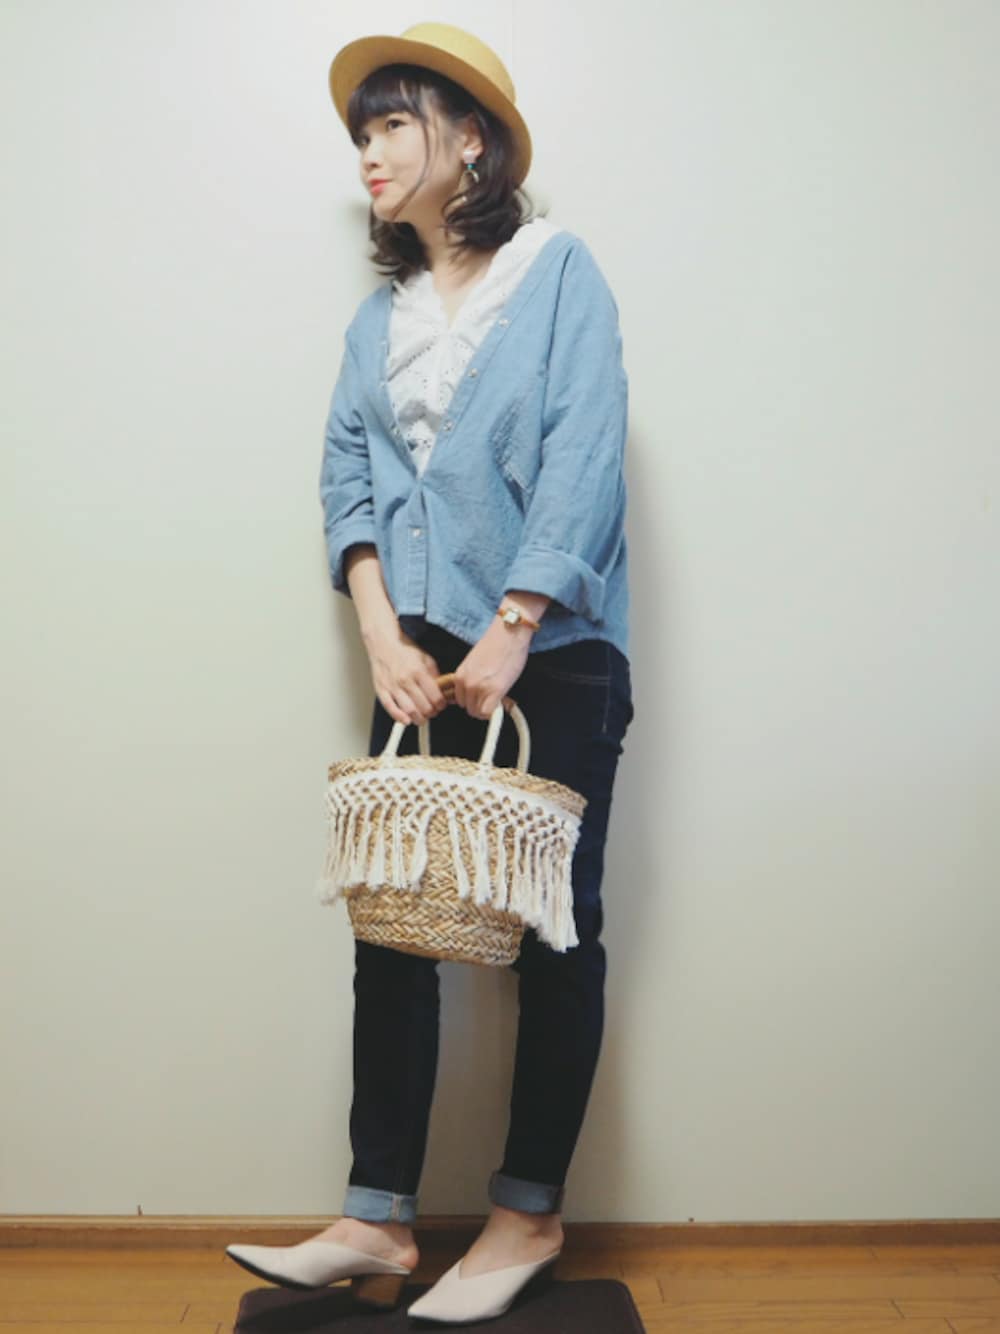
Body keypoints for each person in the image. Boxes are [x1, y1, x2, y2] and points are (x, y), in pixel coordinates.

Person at [226, 21, 634, 1323]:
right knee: (391, 928)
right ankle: (379, 1216)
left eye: (393, 121)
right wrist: (382, 635)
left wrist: (514, 622)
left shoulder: (558, 273)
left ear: (472, 139)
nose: (369, 150)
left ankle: (527, 1215)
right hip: (417, 660)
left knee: (552, 933)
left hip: (552, 652)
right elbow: (346, 480)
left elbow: (584, 447)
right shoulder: (377, 323)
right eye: (362, 131)